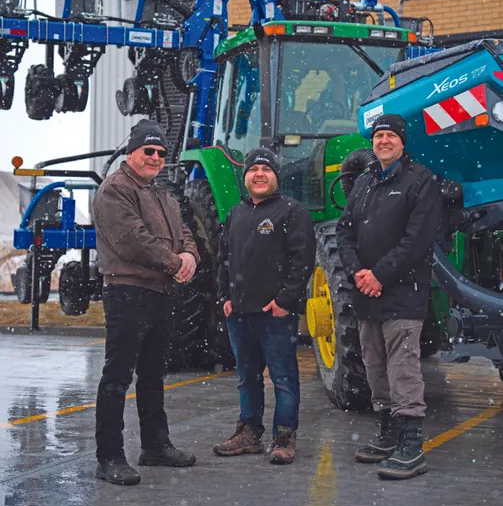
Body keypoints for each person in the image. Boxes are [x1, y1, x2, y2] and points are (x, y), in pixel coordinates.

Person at [93, 119, 200, 486]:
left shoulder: (162, 194)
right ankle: (109, 456)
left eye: (160, 153)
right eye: (148, 150)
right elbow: (132, 240)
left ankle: (155, 445)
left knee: (153, 374)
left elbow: (184, 233)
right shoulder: (115, 190)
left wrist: (190, 257)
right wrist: (175, 264)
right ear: (131, 152)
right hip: (128, 293)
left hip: (161, 293)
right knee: (117, 376)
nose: (155, 157)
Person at [336, 114, 441, 480]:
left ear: (402, 142)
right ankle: (388, 433)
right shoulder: (364, 182)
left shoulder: (421, 181)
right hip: (367, 293)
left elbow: (416, 241)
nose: (383, 141)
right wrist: (358, 273)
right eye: (378, 135)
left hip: (402, 293)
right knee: (375, 366)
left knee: (403, 368)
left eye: (390, 135)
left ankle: (412, 446)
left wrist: (379, 274)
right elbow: (344, 231)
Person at [213, 147, 316, 465]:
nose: (259, 174)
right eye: (253, 170)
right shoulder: (236, 213)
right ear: (245, 177)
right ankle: (249, 433)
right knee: (247, 376)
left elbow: (302, 260)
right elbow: (223, 259)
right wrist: (224, 297)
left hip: (275, 314)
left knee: (283, 378)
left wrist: (285, 301)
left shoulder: (292, 212)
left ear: (276, 176)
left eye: (266, 169)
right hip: (239, 314)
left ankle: (284, 437)